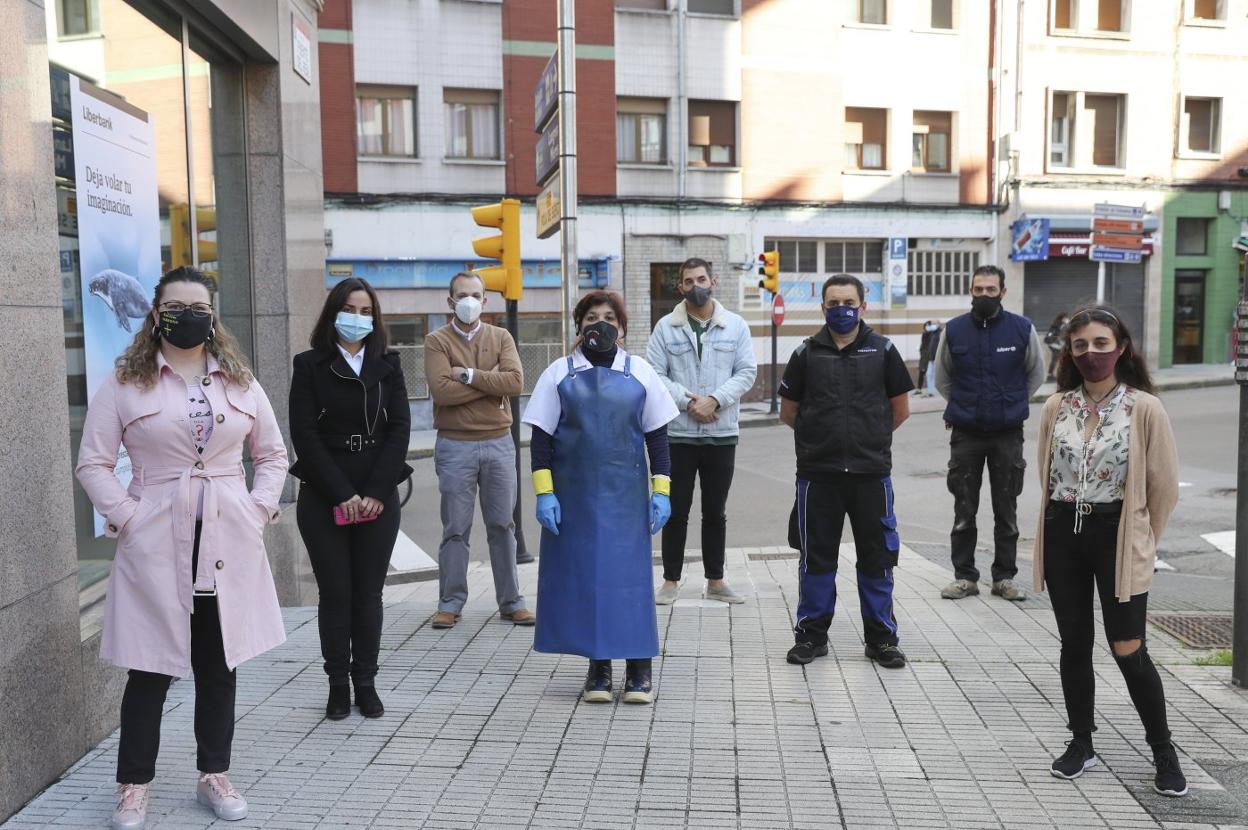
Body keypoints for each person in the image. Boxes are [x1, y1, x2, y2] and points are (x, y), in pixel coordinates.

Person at [76, 267, 289, 829]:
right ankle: (132, 786)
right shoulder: (126, 381)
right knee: (149, 668)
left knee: (219, 664)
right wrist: (129, 517)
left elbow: (272, 456)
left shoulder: (240, 381)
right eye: (176, 306)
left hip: (226, 538)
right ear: (155, 314)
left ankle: (214, 774)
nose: (188, 315)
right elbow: (93, 463)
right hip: (156, 541)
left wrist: (257, 508)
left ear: (212, 316)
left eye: (199, 306)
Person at [1034, 305, 1187, 797]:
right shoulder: (1056, 407)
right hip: (1063, 532)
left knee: (1129, 647)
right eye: (1081, 346)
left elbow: (1162, 486)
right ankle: (1082, 742)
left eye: (1101, 344)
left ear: (1121, 348)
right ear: (1070, 353)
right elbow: (1047, 474)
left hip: (1118, 535)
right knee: (1074, 644)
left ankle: (1163, 750)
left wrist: (1142, 538)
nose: (1091, 353)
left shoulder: (1144, 407)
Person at [523, 290, 679, 704]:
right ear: (579, 326)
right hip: (573, 498)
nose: (601, 324)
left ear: (622, 327)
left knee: (630, 582)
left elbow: (658, 440)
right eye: (592, 317)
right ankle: (598, 667)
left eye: (609, 316)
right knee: (587, 581)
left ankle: (640, 667)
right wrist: (545, 494)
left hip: (626, 496)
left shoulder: (641, 372)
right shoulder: (558, 374)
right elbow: (541, 440)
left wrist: (661, 492)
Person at [289, 277, 413, 720]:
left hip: (379, 494)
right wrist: (342, 494)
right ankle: (337, 684)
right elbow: (304, 434)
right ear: (333, 313)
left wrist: (377, 493)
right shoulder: (309, 366)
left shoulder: (389, 365)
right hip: (325, 495)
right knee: (336, 594)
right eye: (349, 309)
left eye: (366, 311)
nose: (357, 318)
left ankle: (367, 682)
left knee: (368, 595)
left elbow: (400, 429)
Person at [778, 274, 913, 669]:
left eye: (848, 302)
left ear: (863, 306)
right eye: (833, 303)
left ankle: (882, 639)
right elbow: (790, 413)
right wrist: (824, 442)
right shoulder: (806, 354)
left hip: (871, 475)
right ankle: (811, 636)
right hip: (818, 477)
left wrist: (867, 439)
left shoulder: (884, 350)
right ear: (823, 308)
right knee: (816, 559)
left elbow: (900, 410)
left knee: (878, 558)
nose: (841, 309)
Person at [424, 272, 533, 630]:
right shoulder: (435, 341)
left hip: (500, 443)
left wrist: (467, 375)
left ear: (486, 300)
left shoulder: (501, 336)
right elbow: (442, 393)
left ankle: (511, 601)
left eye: (476, 294)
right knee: (455, 527)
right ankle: (450, 603)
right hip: (455, 445)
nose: (469, 300)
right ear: (450, 301)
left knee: (503, 525)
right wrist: (490, 384)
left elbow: (515, 383)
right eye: (462, 295)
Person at [646, 257, 757, 605]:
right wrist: (689, 402)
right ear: (680, 287)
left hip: (721, 434)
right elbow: (654, 374)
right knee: (675, 511)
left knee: (716, 511)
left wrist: (715, 400)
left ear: (714, 281)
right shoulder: (665, 327)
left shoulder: (735, 326)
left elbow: (746, 372)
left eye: (702, 279)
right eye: (689, 281)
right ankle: (670, 581)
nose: (696, 286)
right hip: (678, 435)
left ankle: (716, 580)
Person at [935, 264, 1045, 602]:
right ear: (971, 291)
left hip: (1007, 434)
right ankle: (965, 577)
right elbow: (942, 378)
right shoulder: (953, 330)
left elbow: (1035, 375)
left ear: (1002, 292)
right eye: (978, 289)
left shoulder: (1021, 329)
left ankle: (1004, 578)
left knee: (1006, 509)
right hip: (966, 434)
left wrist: (1009, 404)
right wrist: (965, 405)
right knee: (964, 510)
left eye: (991, 290)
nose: (984, 295)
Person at [916, 319, 941, 397]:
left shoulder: (939, 334)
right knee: (929, 374)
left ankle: (934, 391)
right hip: (930, 358)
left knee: (935, 375)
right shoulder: (933, 334)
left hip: (936, 358)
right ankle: (931, 392)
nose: (931, 326)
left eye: (933, 324)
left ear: (938, 324)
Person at [1045, 312, 1069, 380]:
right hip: (1055, 344)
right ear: (1062, 318)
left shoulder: (1061, 325)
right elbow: (1055, 335)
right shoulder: (1057, 325)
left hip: (1058, 344)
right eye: (1065, 318)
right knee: (1056, 359)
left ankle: (1051, 374)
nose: (1067, 319)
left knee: (1057, 359)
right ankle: (1051, 375)